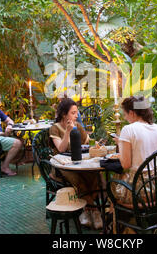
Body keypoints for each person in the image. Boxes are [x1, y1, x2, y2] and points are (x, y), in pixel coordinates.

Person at [49, 98, 103, 230]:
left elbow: (87, 142)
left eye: (76, 112)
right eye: (73, 113)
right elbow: (61, 149)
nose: (77, 115)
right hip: (62, 166)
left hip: (79, 163)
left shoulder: (78, 126)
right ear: (64, 114)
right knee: (80, 181)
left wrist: (97, 144)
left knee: (96, 176)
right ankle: (94, 210)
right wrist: (67, 131)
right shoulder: (54, 129)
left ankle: (87, 209)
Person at [111, 96, 157, 203]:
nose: (125, 118)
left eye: (125, 114)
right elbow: (148, 149)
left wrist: (122, 145)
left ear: (132, 113)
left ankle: (122, 217)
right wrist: (123, 142)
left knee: (113, 181)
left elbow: (126, 165)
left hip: (139, 191)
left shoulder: (128, 129)